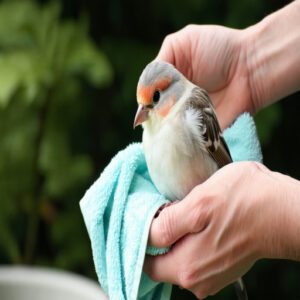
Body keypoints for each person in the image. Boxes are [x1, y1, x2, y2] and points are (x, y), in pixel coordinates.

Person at [143, 1, 300, 299]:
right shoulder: (150, 136)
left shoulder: (191, 111)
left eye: (155, 99)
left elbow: (223, 165)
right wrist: (247, 63)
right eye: (142, 104)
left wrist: (268, 213)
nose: (144, 112)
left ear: (171, 90)